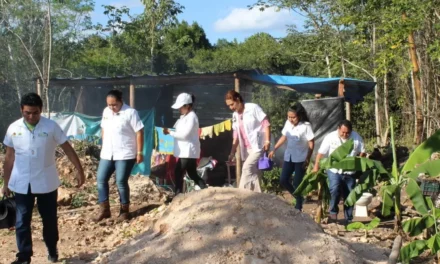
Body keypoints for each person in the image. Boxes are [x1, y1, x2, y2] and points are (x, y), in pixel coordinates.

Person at [1, 93, 85, 264]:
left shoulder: (51, 127)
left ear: (41, 110)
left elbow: (68, 148)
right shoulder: (13, 128)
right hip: (22, 182)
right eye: (27, 113)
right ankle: (24, 256)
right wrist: (6, 182)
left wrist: (79, 170)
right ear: (21, 110)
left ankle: (52, 248)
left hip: (46, 181)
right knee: (22, 220)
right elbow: (9, 157)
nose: (31, 116)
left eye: (35, 113)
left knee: (49, 219)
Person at [93, 89, 144, 223]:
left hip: (125, 153)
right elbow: (103, 128)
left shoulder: (130, 113)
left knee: (121, 181)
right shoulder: (106, 112)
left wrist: (139, 152)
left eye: (114, 104)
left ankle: (124, 211)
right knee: (101, 179)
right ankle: (104, 209)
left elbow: (139, 132)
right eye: (109, 105)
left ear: (121, 101)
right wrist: (104, 145)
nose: (111, 107)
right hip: (107, 153)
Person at [312, 119, 366, 225]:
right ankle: (333, 213)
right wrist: (316, 167)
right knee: (334, 189)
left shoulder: (356, 138)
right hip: (334, 170)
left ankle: (348, 218)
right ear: (338, 129)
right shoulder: (330, 137)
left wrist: (360, 164)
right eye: (343, 132)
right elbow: (320, 153)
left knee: (350, 194)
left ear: (351, 131)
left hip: (350, 171)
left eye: (347, 133)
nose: (345, 134)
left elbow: (362, 152)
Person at [268, 103, 314, 210]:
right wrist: (274, 149)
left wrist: (308, 158)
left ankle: (298, 205)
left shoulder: (306, 126)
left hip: (301, 158)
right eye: (289, 117)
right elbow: (284, 137)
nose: (291, 119)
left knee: (297, 182)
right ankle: (299, 198)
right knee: (283, 180)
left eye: (293, 117)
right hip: (289, 156)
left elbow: (311, 143)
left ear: (299, 116)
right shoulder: (287, 124)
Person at [225, 90, 270, 192]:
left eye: (232, 104)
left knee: (246, 168)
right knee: (254, 173)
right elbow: (235, 135)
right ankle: (257, 197)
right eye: (229, 106)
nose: (231, 108)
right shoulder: (235, 115)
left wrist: (267, 141)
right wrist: (232, 153)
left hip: (258, 145)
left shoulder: (253, 108)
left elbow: (266, 123)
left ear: (238, 99)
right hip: (247, 148)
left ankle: (241, 195)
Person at [163, 93, 207, 193]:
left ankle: (178, 195)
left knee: (178, 171)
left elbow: (184, 135)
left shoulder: (192, 117)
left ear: (187, 106)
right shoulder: (184, 117)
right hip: (185, 151)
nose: (179, 109)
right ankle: (204, 187)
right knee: (192, 173)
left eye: (181, 107)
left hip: (188, 151)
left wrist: (170, 132)